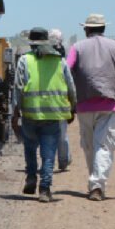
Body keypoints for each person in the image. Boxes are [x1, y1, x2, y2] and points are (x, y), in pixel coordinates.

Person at [66, 13, 115, 201]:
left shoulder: (77, 47)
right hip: (108, 104)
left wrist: (67, 100)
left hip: (83, 104)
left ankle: (96, 184)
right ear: (104, 28)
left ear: (86, 29)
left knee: (89, 145)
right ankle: (97, 185)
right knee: (104, 146)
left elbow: (65, 71)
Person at [11, 26, 77, 203]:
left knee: (30, 148)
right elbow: (71, 87)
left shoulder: (25, 60)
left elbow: (18, 88)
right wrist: (72, 108)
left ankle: (31, 178)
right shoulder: (60, 61)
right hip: (53, 115)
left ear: (31, 44)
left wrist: (15, 112)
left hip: (30, 115)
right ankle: (45, 189)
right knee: (48, 154)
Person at [50, 28, 72, 171]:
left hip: (52, 101)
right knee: (61, 134)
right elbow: (70, 83)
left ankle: (58, 160)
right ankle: (63, 160)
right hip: (59, 101)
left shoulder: (61, 59)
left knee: (53, 134)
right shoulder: (62, 59)